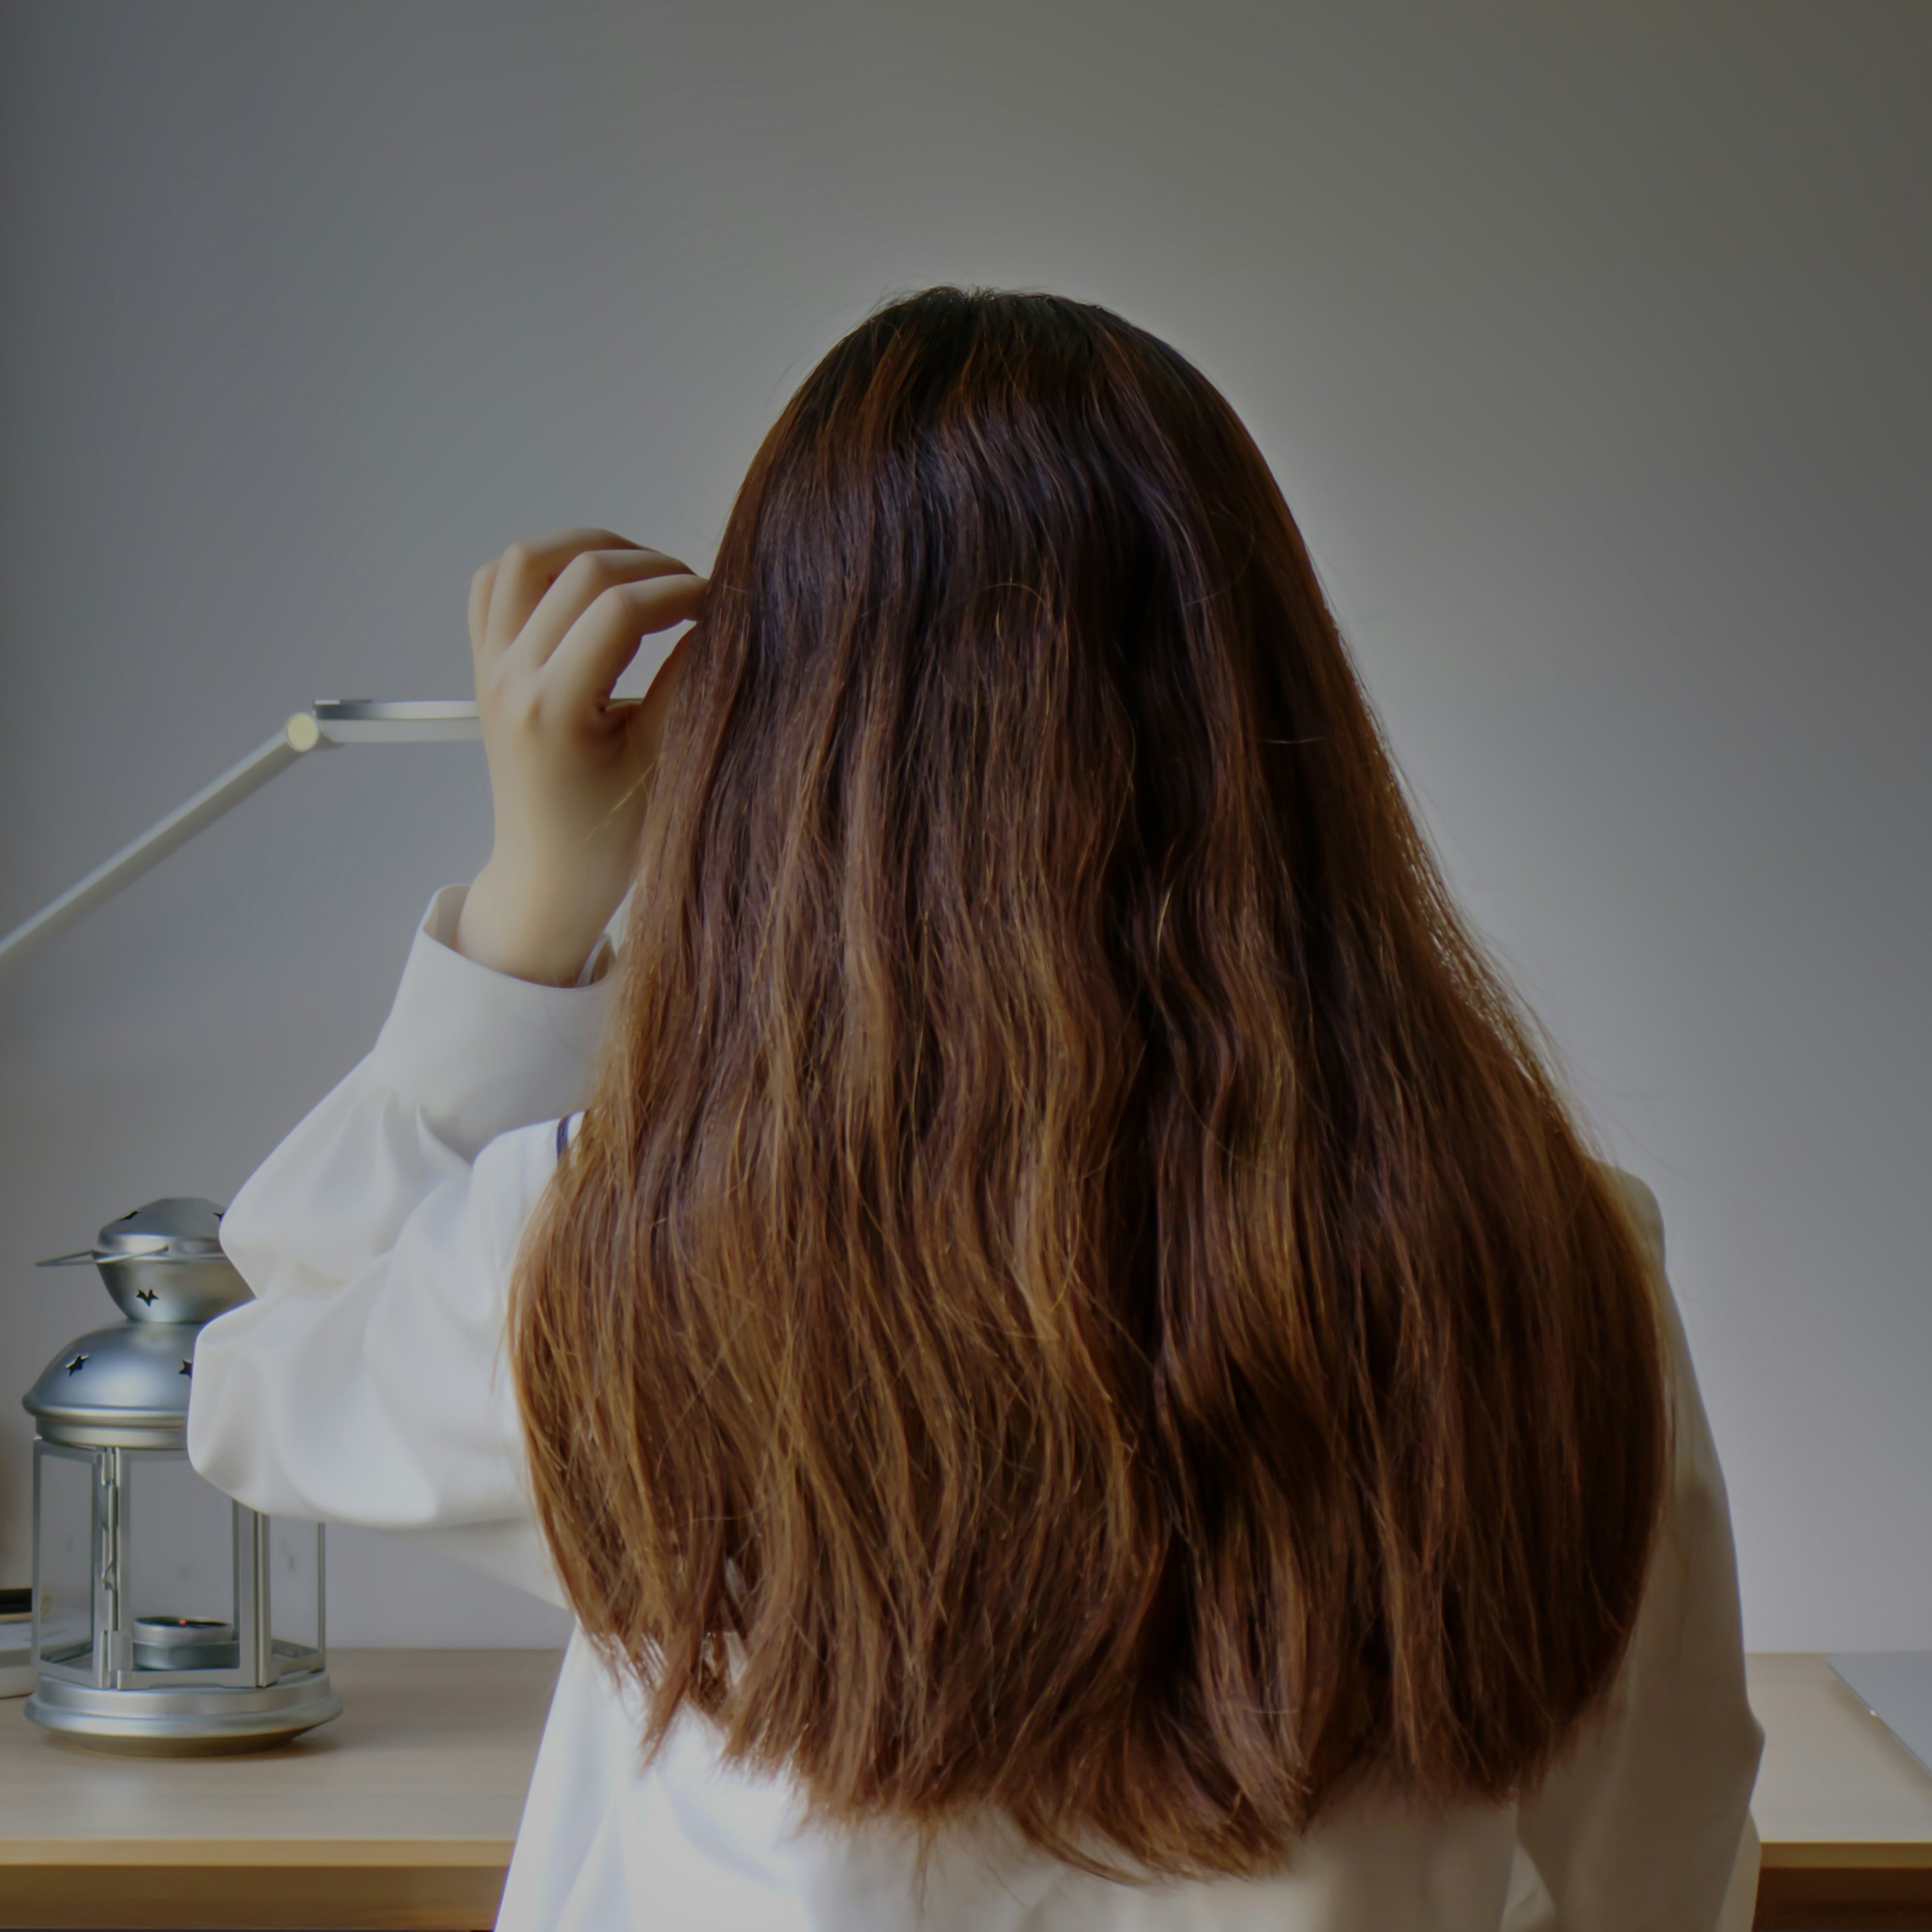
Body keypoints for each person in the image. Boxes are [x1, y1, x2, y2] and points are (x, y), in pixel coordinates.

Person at [186, 286, 1763, 1931]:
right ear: (1273, 728)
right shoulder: (1543, 1253)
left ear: (783, 753)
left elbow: (260, 1369)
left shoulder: (639, 1258)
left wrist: (534, 898)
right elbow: (1651, 1854)